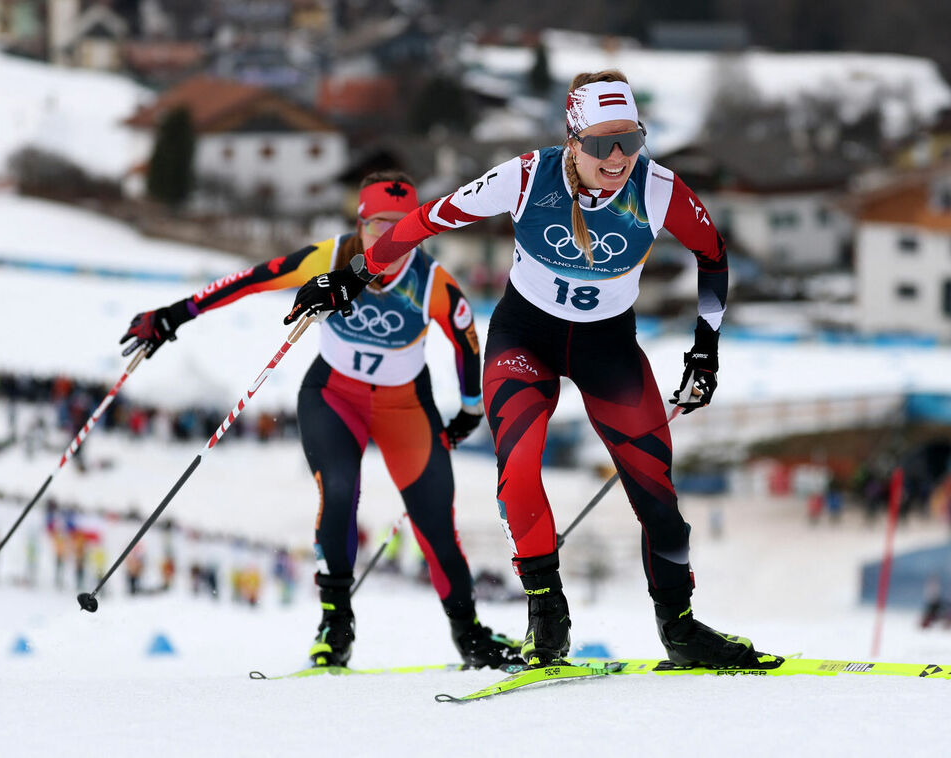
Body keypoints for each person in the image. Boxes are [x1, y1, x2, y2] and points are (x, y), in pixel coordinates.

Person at [287, 72, 779, 669]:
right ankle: (548, 618)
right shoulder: (526, 177)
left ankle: (679, 629)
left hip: (608, 348)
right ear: (572, 141)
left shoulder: (658, 189)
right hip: (527, 340)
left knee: (659, 502)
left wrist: (707, 347)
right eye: (601, 143)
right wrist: (356, 273)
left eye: (630, 139)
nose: (618, 157)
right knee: (518, 474)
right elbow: (428, 219)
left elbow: (713, 255)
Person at [119, 171, 521, 669]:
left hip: (407, 407)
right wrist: (174, 314)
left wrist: (468, 409)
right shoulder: (328, 260)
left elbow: (466, 344)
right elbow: (249, 281)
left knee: (436, 522)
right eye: (379, 224)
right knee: (339, 489)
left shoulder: (433, 281)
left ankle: (469, 634)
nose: (391, 236)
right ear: (360, 223)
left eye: (404, 225)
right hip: (335, 397)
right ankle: (335, 626)